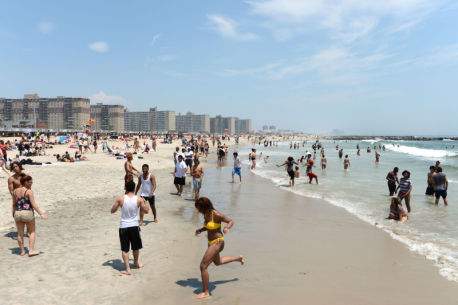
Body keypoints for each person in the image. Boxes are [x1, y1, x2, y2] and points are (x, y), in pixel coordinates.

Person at [194, 197, 244, 299]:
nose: (198, 211)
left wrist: (226, 228)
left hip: (218, 242)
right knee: (218, 262)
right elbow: (209, 226)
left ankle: (206, 292)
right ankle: (238, 258)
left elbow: (230, 221)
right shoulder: (206, 214)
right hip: (210, 242)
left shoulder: (215, 214)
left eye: (199, 208)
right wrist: (201, 229)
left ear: (205, 207)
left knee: (203, 266)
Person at [111, 181, 149, 275]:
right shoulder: (139, 199)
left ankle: (128, 269)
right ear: (134, 188)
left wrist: (119, 205)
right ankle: (135, 264)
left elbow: (112, 211)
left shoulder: (120, 199)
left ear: (125, 188)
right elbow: (147, 211)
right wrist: (145, 201)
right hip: (134, 226)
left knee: (125, 249)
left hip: (124, 226)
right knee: (135, 247)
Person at [13, 174, 48, 256]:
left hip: (18, 212)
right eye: (30, 182)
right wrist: (41, 214)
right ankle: (31, 250)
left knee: (20, 233)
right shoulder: (28, 191)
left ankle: (22, 251)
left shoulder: (15, 191)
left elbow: (14, 204)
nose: (31, 184)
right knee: (32, 232)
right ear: (26, 182)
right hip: (27, 212)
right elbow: (33, 204)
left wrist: (14, 213)